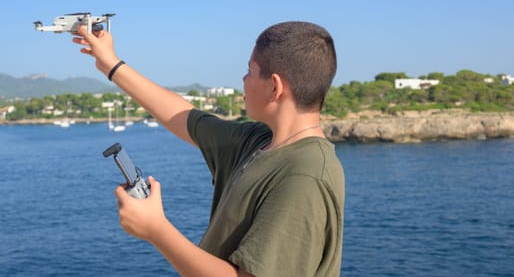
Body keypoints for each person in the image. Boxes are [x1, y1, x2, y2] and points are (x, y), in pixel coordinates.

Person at [72, 21, 345, 277]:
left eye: (250, 70)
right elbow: (185, 117)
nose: (244, 78)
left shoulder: (306, 176)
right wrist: (110, 64)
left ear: (274, 86)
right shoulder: (258, 141)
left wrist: (156, 230)